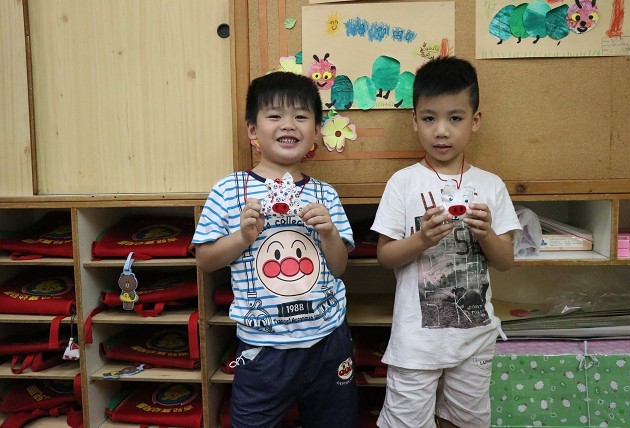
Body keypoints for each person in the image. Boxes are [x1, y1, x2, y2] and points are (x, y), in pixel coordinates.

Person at [193, 71, 358, 427]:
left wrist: (329, 232)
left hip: (328, 340)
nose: (289, 124)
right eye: (275, 116)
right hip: (263, 348)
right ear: (253, 130)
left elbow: (339, 266)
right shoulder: (229, 190)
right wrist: (242, 236)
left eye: (301, 116)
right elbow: (205, 260)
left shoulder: (324, 193)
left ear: (316, 131)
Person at [371, 56, 522, 428]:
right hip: (416, 343)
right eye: (429, 118)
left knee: (465, 421)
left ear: (475, 120)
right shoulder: (402, 183)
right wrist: (422, 238)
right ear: (414, 121)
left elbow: (505, 261)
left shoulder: (490, 185)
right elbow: (385, 256)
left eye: (455, 118)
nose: (441, 131)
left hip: (474, 340)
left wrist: (486, 234)